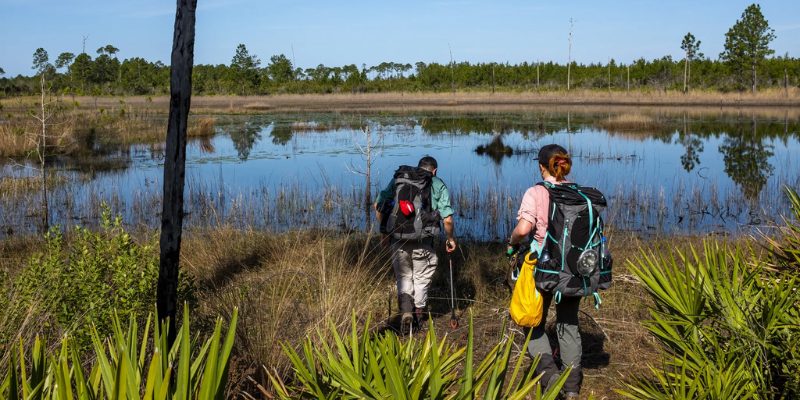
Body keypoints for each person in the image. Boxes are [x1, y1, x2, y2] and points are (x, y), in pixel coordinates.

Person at [506, 144, 582, 398]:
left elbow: (524, 228)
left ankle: (551, 379)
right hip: (574, 268)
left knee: (531, 320)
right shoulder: (577, 192)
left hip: (543, 268)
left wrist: (512, 241)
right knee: (569, 323)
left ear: (541, 167)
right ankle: (571, 389)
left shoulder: (536, 192)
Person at [375, 156, 457, 333]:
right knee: (421, 278)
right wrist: (450, 239)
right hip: (424, 242)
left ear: (419, 167)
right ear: (434, 171)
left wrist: (384, 234)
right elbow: (448, 219)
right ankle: (418, 316)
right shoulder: (437, 184)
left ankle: (406, 312)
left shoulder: (400, 179)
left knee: (403, 277)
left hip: (398, 239)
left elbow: (379, 204)